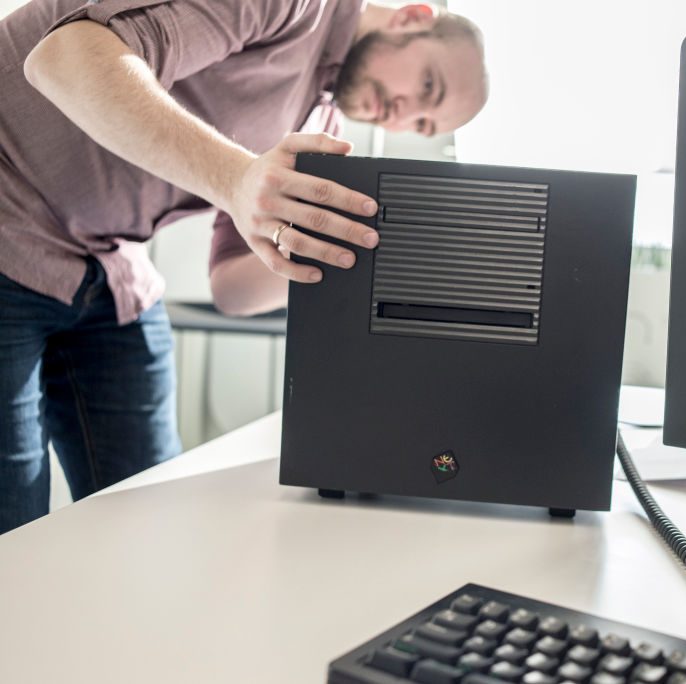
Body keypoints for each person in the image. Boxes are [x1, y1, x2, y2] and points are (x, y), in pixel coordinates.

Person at [0, 0, 488, 534]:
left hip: (106, 266)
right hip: (10, 221)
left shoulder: (319, 118)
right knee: (13, 528)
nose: (400, 111)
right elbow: (63, 57)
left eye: (420, 121)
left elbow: (233, 286)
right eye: (425, 87)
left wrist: (349, 252)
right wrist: (237, 180)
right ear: (413, 16)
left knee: (149, 532)